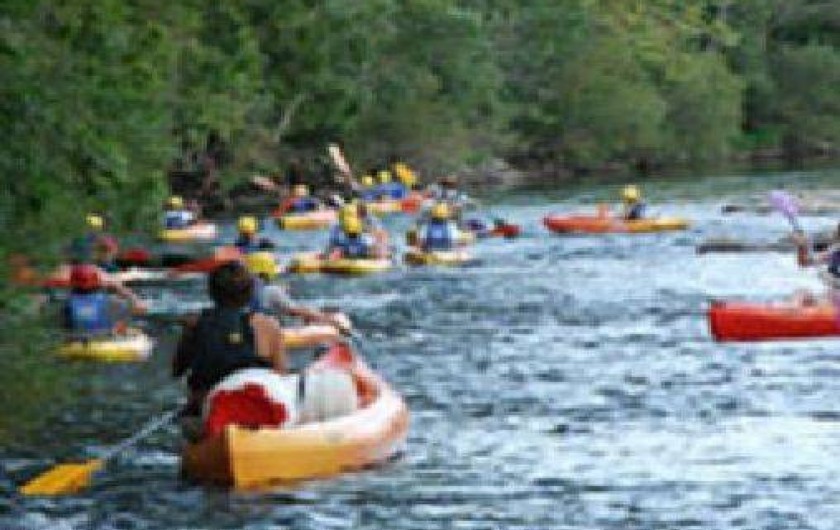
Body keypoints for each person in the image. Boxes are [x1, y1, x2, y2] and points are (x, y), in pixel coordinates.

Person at [172, 261, 287, 415]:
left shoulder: (194, 324)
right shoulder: (269, 326)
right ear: (250, 292)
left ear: (211, 292)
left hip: (209, 410)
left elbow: (177, 371)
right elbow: (280, 376)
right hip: (257, 410)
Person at [245, 251, 351, 331]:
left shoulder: (242, 288)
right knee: (306, 317)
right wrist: (329, 321)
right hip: (268, 330)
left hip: (250, 327)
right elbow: (296, 311)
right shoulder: (272, 291)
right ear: (267, 269)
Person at [61, 264, 146, 338]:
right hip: (104, 340)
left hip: (73, 341)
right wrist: (120, 288)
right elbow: (141, 309)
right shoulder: (111, 301)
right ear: (98, 283)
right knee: (129, 325)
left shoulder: (66, 302)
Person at [792, 223, 840, 303]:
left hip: (834, 298)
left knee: (830, 296)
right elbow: (804, 262)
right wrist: (801, 246)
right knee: (801, 293)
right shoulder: (835, 251)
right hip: (833, 296)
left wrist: (830, 279)